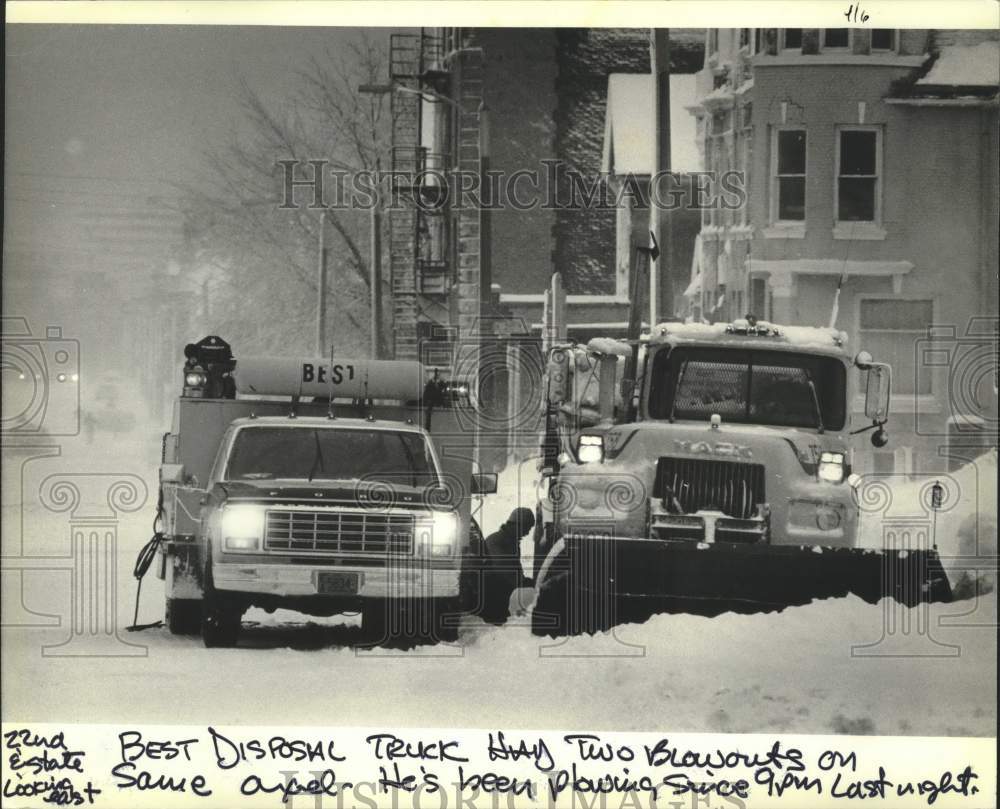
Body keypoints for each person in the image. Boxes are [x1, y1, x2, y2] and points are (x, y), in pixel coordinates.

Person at [481, 507, 535, 624]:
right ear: (518, 525)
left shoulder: (512, 542)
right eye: (527, 528)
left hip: (504, 594)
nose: (527, 533)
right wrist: (523, 582)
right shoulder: (495, 541)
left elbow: (515, 569)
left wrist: (525, 581)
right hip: (492, 599)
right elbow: (502, 569)